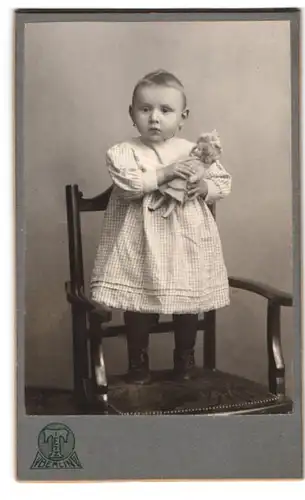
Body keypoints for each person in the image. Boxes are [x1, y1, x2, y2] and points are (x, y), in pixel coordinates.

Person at [90, 69, 232, 384]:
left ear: (183, 117)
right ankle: (138, 363)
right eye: (145, 109)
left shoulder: (193, 151)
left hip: (186, 243)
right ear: (132, 114)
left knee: (188, 302)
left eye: (165, 110)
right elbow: (130, 185)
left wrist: (204, 189)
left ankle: (185, 359)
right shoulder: (124, 152)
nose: (154, 118)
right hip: (139, 243)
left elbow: (222, 181)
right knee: (138, 304)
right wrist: (167, 172)